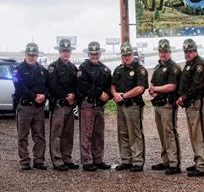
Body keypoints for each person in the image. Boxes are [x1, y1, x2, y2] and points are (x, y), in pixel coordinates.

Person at [111, 43, 149, 172]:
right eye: (124, 55)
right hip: (121, 105)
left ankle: (137, 161)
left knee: (134, 133)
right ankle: (126, 160)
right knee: (122, 133)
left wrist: (124, 96)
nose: (126, 57)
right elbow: (113, 85)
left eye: (128, 55)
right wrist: (115, 94)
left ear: (133, 55)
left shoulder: (140, 69)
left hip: (133, 105)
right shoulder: (118, 69)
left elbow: (140, 88)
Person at [176, 38, 204, 177]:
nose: (187, 54)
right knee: (193, 135)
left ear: (195, 51)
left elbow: (197, 86)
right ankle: (198, 161)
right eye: (186, 51)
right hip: (190, 104)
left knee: (200, 134)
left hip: (198, 102)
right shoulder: (189, 64)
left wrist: (183, 97)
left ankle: (202, 166)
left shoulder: (200, 65)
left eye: (190, 51)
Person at [77, 41, 112, 172]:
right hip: (88, 105)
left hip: (100, 106)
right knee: (86, 134)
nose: (94, 56)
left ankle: (98, 159)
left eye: (96, 53)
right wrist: (99, 93)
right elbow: (82, 87)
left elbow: (110, 86)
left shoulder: (105, 69)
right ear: (88, 54)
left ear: (100, 54)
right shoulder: (83, 68)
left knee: (99, 134)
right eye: (92, 54)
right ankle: (86, 161)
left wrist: (108, 95)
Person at [12, 42, 48, 171]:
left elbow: (47, 87)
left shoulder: (43, 71)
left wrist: (44, 96)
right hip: (25, 107)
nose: (31, 57)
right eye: (29, 54)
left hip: (38, 108)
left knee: (39, 136)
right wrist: (34, 96)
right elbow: (19, 87)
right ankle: (24, 160)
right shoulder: (18, 70)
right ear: (25, 54)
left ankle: (39, 160)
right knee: (23, 136)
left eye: (34, 55)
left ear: (37, 55)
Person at [149, 39, 182, 175]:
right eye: (161, 51)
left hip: (168, 104)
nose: (163, 54)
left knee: (170, 132)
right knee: (162, 133)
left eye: (165, 51)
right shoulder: (157, 67)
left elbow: (172, 86)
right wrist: (152, 89)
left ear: (170, 51)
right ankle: (166, 160)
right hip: (158, 104)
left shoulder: (173, 67)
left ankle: (175, 163)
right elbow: (151, 82)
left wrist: (155, 88)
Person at [47, 38, 79, 171]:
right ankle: (57, 160)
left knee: (68, 134)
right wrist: (67, 97)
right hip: (59, 105)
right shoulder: (53, 67)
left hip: (70, 106)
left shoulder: (73, 68)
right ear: (59, 51)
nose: (66, 53)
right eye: (64, 51)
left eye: (68, 51)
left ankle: (67, 158)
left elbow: (77, 85)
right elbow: (52, 86)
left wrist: (74, 95)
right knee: (56, 134)